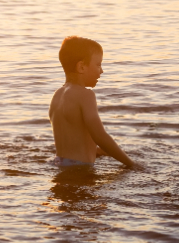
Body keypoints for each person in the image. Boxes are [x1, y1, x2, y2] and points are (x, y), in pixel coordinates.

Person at [49, 36, 137, 169]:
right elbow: (100, 136)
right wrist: (131, 164)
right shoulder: (86, 95)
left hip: (59, 164)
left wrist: (96, 151)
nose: (101, 71)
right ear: (82, 67)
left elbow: (70, 140)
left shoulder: (57, 95)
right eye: (98, 65)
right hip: (81, 169)